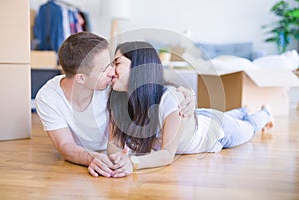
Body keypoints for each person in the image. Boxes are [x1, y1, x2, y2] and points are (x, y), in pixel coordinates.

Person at [101, 41, 274, 178]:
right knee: (233, 116)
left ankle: (265, 112)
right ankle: (243, 110)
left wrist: (133, 162)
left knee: (250, 128)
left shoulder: (168, 100)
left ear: (139, 67)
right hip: (196, 119)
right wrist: (119, 159)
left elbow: (167, 154)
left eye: (117, 63)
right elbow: (113, 144)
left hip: (217, 131)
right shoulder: (118, 100)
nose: (111, 70)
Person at [35, 32, 196, 177]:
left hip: (195, 128)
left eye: (113, 64)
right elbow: (65, 145)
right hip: (110, 156)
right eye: (105, 68)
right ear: (81, 78)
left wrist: (187, 93)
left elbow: (148, 77)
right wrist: (96, 158)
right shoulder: (48, 97)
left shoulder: (113, 85)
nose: (112, 72)